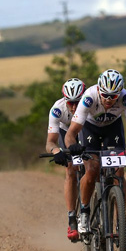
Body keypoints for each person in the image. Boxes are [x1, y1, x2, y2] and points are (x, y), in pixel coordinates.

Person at [64, 69, 126, 243]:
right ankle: (84, 213)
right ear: (99, 90)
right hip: (90, 128)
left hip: (112, 128)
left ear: (119, 93)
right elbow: (70, 134)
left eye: (113, 96)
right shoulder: (89, 97)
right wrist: (73, 146)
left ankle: (121, 225)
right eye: (105, 95)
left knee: (118, 172)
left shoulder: (125, 98)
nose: (108, 100)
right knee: (91, 169)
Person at [45, 78, 86, 241]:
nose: (75, 107)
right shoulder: (58, 109)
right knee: (70, 169)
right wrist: (56, 151)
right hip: (65, 132)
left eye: (78, 102)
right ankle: (72, 219)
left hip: (86, 130)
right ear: (65, 100)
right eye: (71, 103)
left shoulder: (91, 105)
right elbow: (50, 141)